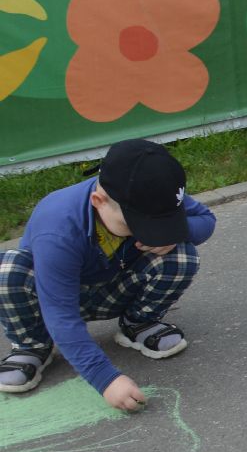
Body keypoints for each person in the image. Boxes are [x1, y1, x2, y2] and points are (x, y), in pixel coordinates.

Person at [0, 140, 216, 410]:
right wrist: (106, 379)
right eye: (137, 224)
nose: (148, 232)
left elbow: (206, 220)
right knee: (7, 270)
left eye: (159, 222)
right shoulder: (58, 229)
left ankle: (138, 323)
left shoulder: (153, 192)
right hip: (50, 299)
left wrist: (173, 234)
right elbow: (60, 313)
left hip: (114, 286)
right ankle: (32, 345)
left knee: (182, 254)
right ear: (98, 201)